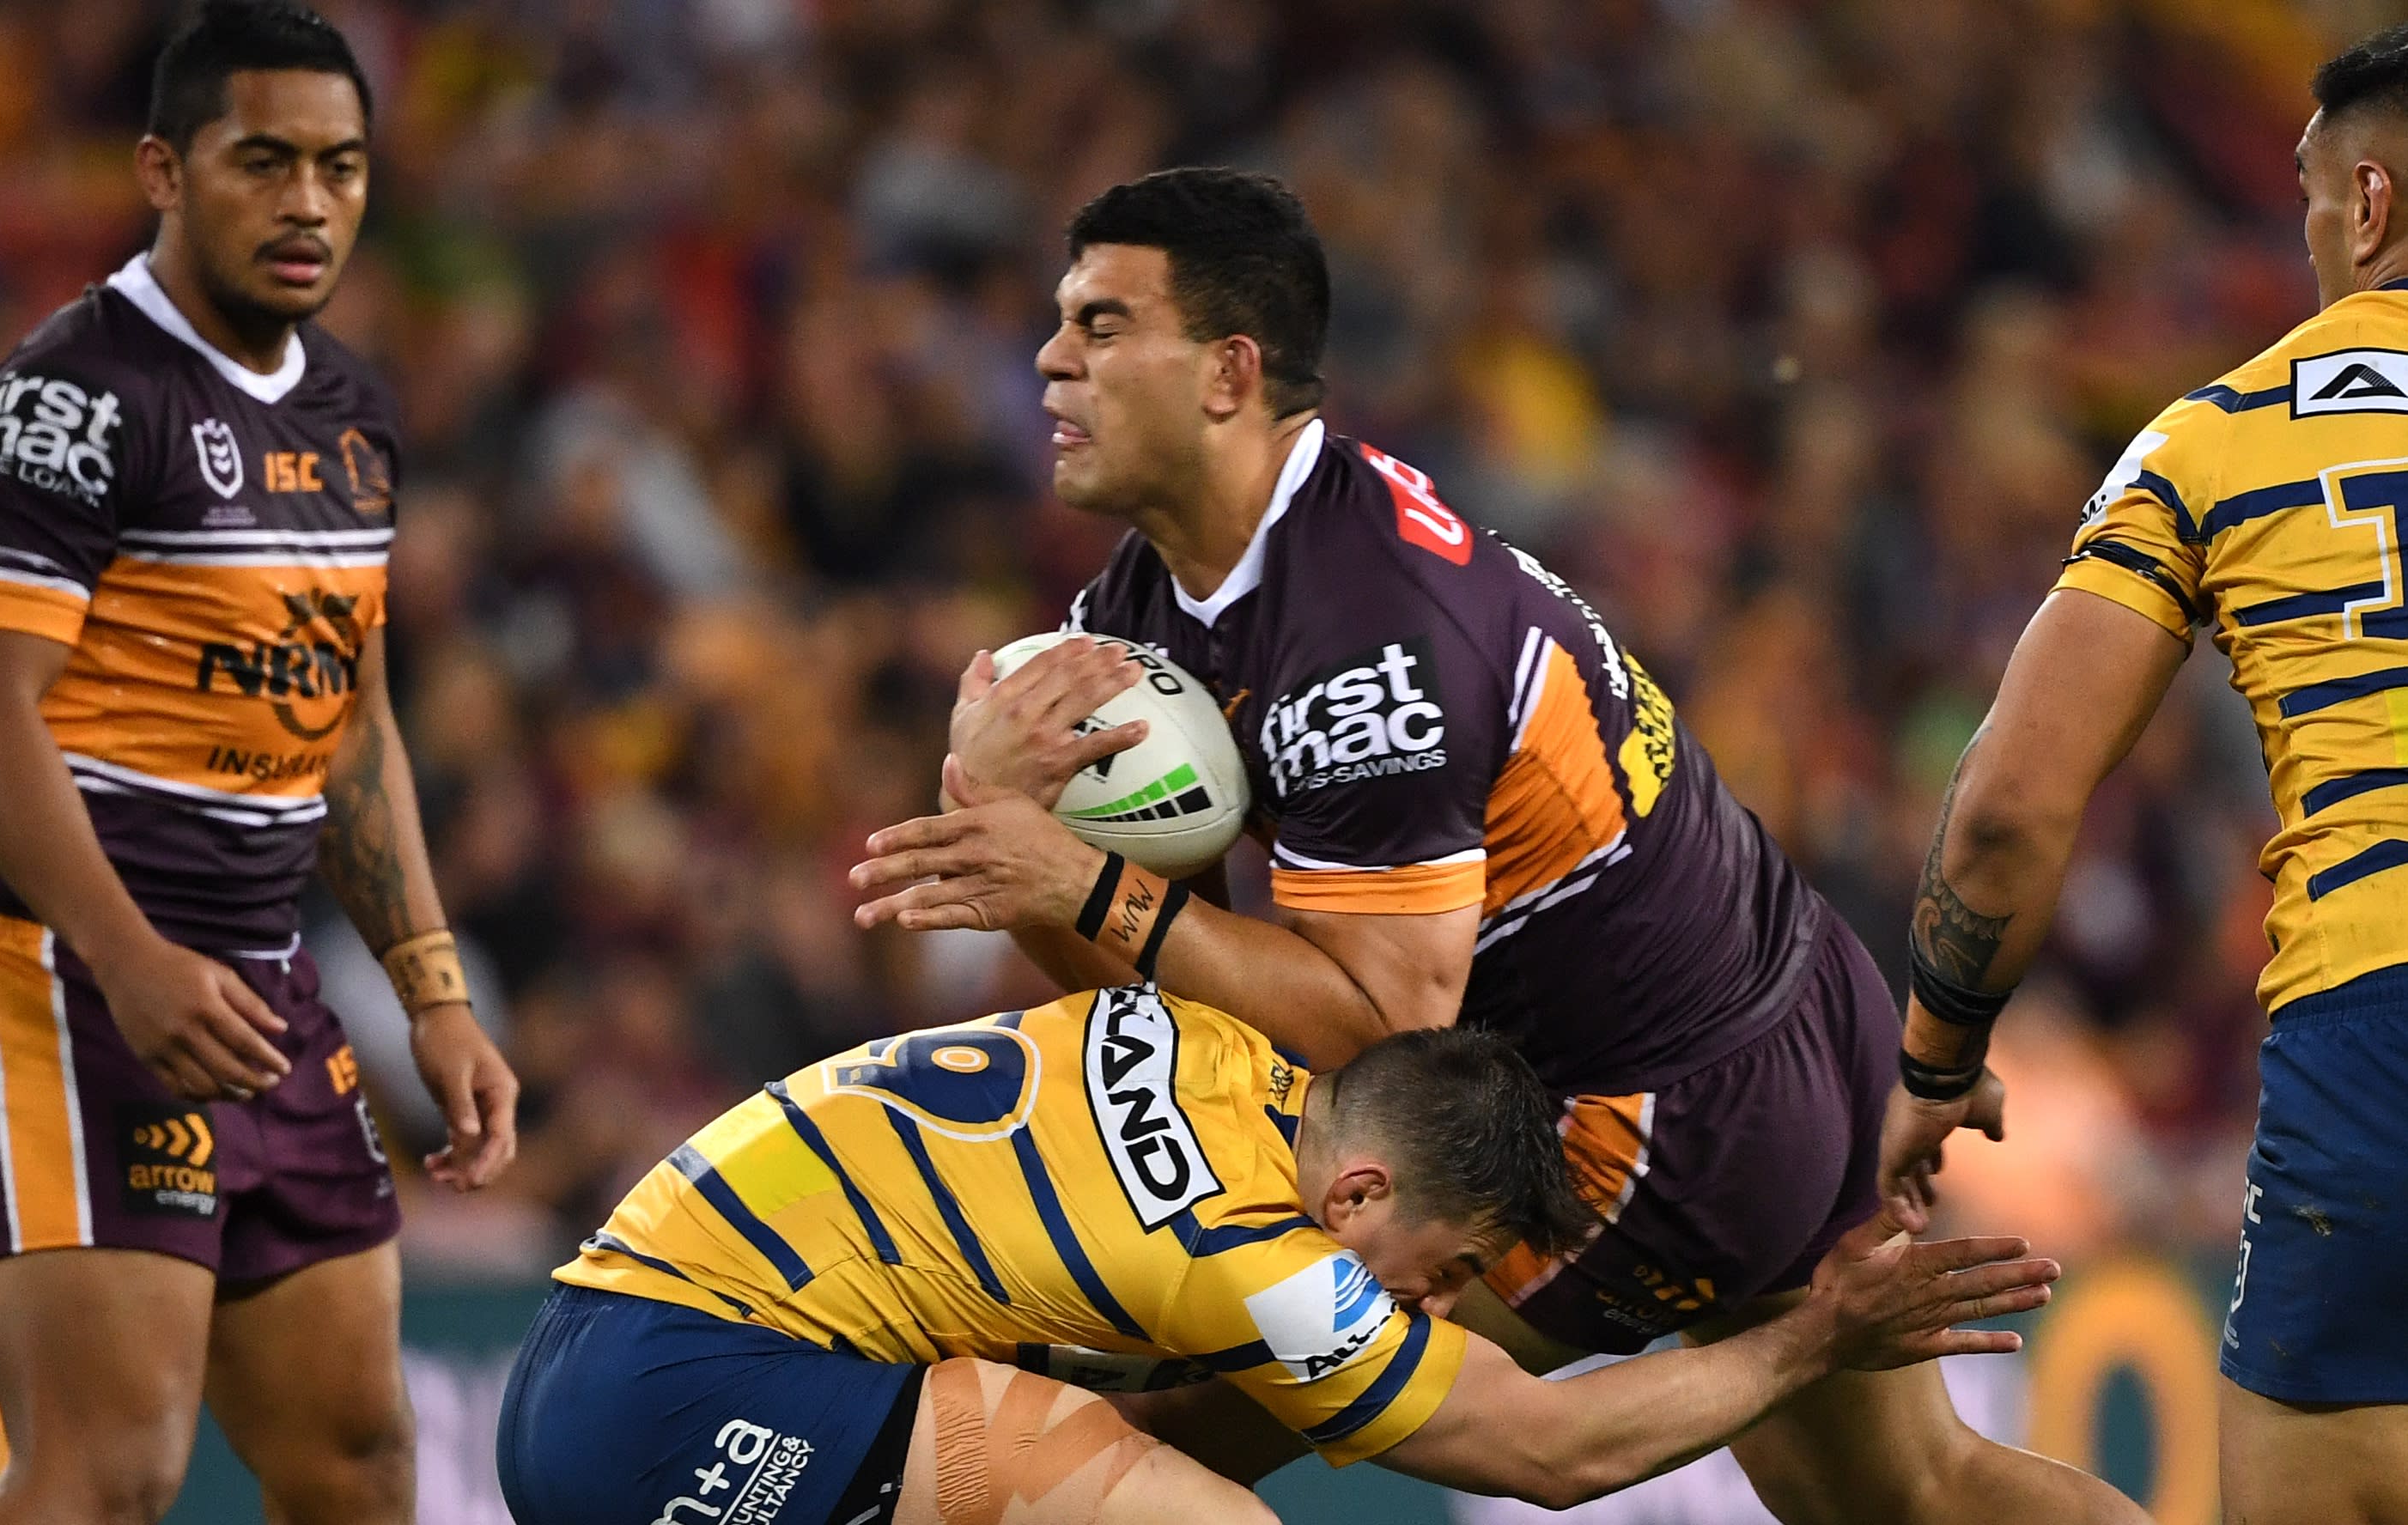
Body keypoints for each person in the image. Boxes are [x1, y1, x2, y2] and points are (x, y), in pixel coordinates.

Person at [846, 167, 2147, 1524]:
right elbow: (1156, 990)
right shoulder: (1144, 611)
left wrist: (1080, 883)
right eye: (1061, 324)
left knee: (1175, 1426)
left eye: (1104, 326)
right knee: (1918, 1499)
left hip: (1654, 1107)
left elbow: (1374, 1016)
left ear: (1229, 372)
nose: (1051, 359)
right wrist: (997, 835)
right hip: (1758, 999)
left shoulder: (1366, 636)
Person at [0, 4, 518, 1522]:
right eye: (263, 162)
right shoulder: (71, 398)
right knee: (106, 1478)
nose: (309, 202)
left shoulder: (353, 416)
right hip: (69, 989)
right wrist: (123, 960)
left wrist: (432, 992)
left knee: (358, 1462)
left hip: (270, 997)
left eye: (340, 166)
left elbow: (353, 722)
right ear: (163, 171)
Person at [497, 984, 2056, 1525]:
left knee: (1108, 1461)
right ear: (1360, 1189)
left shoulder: (1210, 1045)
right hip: (692, 1390)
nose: (1430, 1311)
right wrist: (1807, 1342)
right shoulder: (1259, 1251)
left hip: (594, 1344)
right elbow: (1545, 1457)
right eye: (1438, 1274)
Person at [1876, 27, 2408, 1524]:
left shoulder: (2214, 443)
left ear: (2364, 207)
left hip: (2376, 1022)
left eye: (2307, 196)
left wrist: (1933, 1062)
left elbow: (2006, 814)